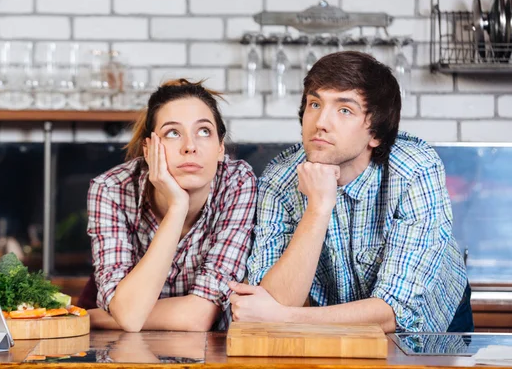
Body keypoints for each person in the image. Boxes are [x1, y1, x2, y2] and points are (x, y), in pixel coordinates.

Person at [229, 51, 473, 333]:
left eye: (344, 110)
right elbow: (273, 300)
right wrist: (318, 208)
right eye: (315, 103)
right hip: (323, 329)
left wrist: (286, 317)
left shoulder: (415, 170)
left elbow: (393, 313)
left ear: (376, 134)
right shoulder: (280, 179)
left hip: (429, 325)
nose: (321, 122)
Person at [80, 79, 257, 332]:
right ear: (148, 148)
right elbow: (130, 316)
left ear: (220, 148)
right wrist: (177, 207)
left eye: (204, 131)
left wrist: (95, 318)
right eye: (173, 133)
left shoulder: (237, 183)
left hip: (206, 351)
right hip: (125, 348)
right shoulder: (111, 189)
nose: (190, 147)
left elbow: (199, 316)